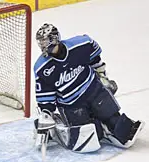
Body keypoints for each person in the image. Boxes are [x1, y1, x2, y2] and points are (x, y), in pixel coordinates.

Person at [33, 23, 144, 153]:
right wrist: (46, 113)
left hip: (94, 91)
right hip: (71, 104)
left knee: (118, 124)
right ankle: (56, 130)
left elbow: (95, 57)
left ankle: (108, 126)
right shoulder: (42, 68)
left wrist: (102, 75)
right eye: (41, 42)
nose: (43, 45)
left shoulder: (80, 45)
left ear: (55, 38)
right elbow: (46, 94)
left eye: (45, 41)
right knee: (89, 136)